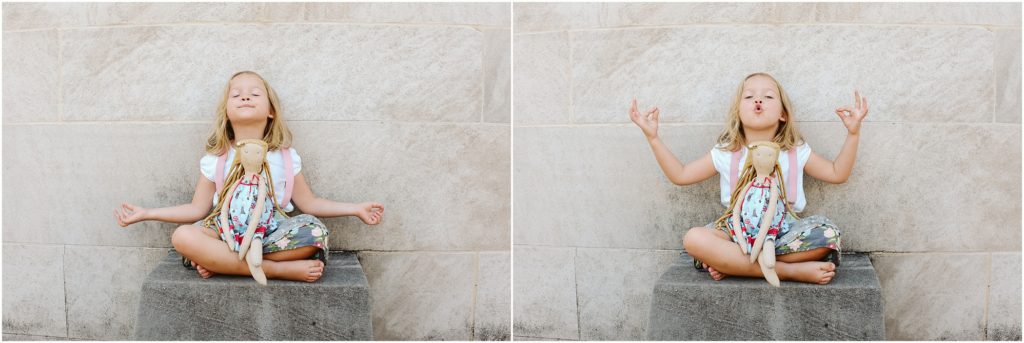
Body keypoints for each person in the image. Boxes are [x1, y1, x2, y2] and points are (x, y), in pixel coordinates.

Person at [115, 71, 385, 282]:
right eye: (237, 95)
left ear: (271, 111)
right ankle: (275, 270)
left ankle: (220, 262)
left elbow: (311, 204)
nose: (245, 97)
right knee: (183, 237)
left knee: (315, 232)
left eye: (255, 94)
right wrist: (146, 213)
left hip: (270, 234)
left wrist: (355, 209)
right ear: (227, 113)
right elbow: (196, 208)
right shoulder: (217, 159)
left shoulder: (286, 157)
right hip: (226, 233)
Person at [629, 72, 867, 284]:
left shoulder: (795, 150)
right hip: (736, 233)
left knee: (828, 235)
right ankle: (787, 271)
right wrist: (653, 138)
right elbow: (680, 175)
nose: (758, 100)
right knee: (694, 239)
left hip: (782, 231)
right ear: (738, 112)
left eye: (769, 96)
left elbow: (838, 173)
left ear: (783, 114)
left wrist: (853, 133)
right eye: (749, 96)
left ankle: (733, 265)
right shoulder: (726, 151)